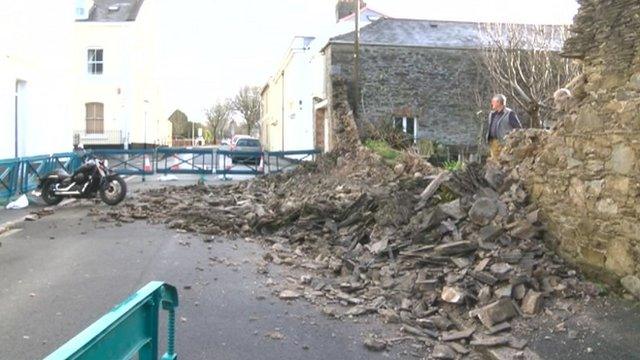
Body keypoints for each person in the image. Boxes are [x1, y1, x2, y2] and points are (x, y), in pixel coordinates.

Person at [486, 94, 522, 159]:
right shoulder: (492, 114)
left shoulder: (510, 114)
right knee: (495, 164)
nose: (491, 103)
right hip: (493, 143)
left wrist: (510, 139)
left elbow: (518, 129)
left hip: (504, 144)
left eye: (493, 101)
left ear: (499, 102)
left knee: (503, 163)